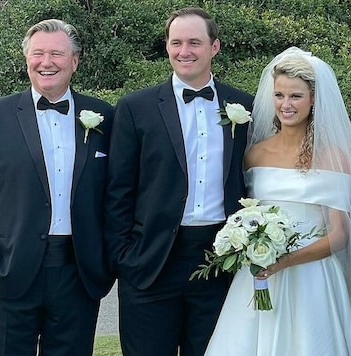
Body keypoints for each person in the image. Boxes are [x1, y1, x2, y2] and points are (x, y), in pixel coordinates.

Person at [0, 19, 115, 355]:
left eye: (57, 53)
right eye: (38, 53)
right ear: (27, 59)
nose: (46, 62)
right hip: (7, 273)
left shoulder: (103, 117)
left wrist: (107, 260)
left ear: (75, 61)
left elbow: (116, 196)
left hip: (77, 275)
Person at [104, 7, 254, 356]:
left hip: (220, 258)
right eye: (176, 42)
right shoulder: (135, 107)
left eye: (194, 42)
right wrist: (124, 256)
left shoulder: (244, 106)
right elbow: (117, 190)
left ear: (214, 47)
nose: (184, 51)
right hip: (151, 260)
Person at [205, 47, 351, 356]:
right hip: (257, 275)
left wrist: (284, 262)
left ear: (314, 99)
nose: (285, 104)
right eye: (279, 95)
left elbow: (339, 235)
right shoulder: (255, 154)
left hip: (312, 278)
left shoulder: (333, 157)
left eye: (295, 96)